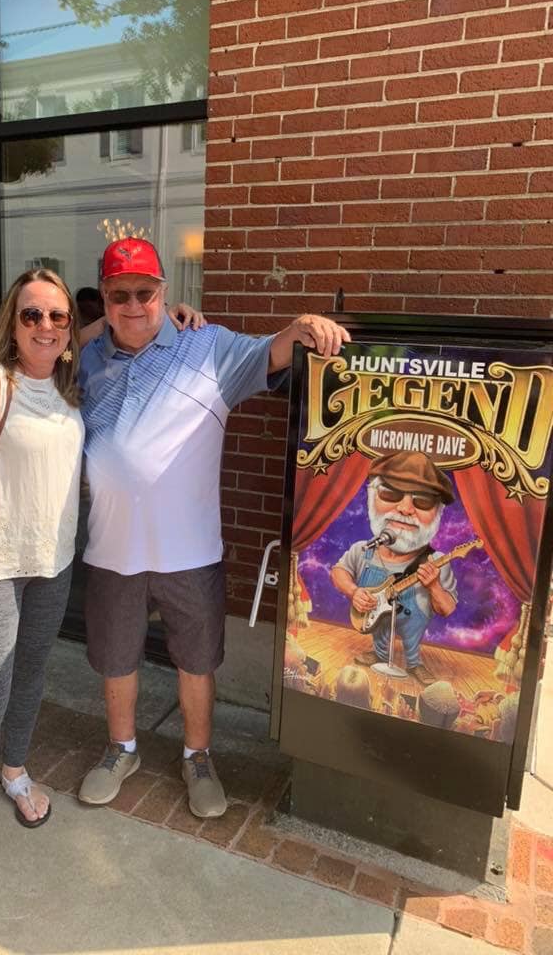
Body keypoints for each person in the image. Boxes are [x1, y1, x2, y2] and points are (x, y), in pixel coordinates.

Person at [0, 269, 203, 895]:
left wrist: (169, 311)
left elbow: (99, 327)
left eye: (56, 316)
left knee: (30, 677)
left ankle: (16, 771)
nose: (45, 327)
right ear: (11, 322)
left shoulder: (71, 384)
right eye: (31, 316)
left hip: (51, 564)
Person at [76, 236, 350, 819]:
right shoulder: (88, 358)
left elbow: (271, 352)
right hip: (110, 546)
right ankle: (121, 749)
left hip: (190, 549)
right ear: (104, 298)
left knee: (197, 659)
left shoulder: (206, 345)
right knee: (116, 657)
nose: (133, 305)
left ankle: (198, 757)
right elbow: (44, 354)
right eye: (119, 294)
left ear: (163, 291)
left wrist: (300, 326)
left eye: (145, 293)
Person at [330, 451, 458, 688]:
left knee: (412, 631)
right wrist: (353, 591)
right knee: (380, 629)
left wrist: (434, 586)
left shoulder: (435, 561)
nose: (405, 508)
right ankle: (379, 654)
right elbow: (338, 571)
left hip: (412, 623)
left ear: (437, 512)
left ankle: (414, 663)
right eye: (390, 492)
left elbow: (448, 608)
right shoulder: (363, 550)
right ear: (371, 497)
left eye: (423, 500)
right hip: (375, 616)